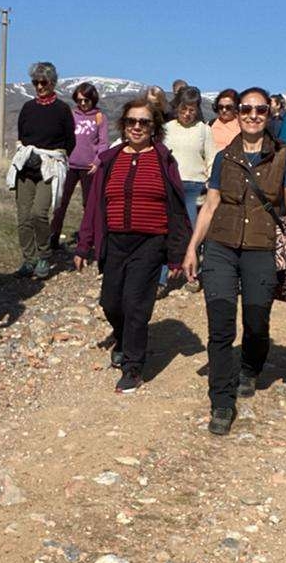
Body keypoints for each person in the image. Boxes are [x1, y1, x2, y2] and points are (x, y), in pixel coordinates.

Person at [183, 87, 286, 436]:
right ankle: (222, 401)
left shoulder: (282, 156)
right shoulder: (224, 157)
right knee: (220, 326)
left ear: (269, 114)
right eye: (246, 109)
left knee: (256, 319)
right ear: (238, 114)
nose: (253, 115)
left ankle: (251, 367)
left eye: (260, 110)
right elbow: (210, 205)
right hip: (221, 247)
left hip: (260, 247)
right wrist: (193, 248)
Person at [74, 99, 193, 393]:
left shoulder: (164, 160)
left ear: (154, 127)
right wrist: (84, 244)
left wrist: (178, 254)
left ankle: (133, 367)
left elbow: (177, 208)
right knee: (111, 302)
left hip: (150, 242)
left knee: (136, 304)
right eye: (131, 121)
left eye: (144, 122)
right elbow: (94, 206)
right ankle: (124, 337)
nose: (137, 127)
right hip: (115, 241)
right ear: (123, 125)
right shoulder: (110, 160)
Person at [10, 61, 75, 278]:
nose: (39, 86)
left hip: (50, 168)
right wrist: (28, 155)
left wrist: (53, 157)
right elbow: (22, 136)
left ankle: (44, 255)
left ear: (52, 83)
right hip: (26, 168)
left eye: (43, 82)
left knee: (39, 213)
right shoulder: (28, 108)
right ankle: (29, 259)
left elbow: (70, 141)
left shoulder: (62, 110)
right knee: (23, 217)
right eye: (35, 82)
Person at [160, 86, 214, 293]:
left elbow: (211, 158)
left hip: (194, 187)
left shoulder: (204, 130)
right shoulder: (167, 128)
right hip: (170, 186)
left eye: (192, 109)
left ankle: (192, 275)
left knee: (192, 233)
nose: (187, 113)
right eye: (184, 109)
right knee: (166, 232)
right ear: (177, 107)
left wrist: (209, 183)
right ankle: (161, 279)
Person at [50, 81, 106, 250]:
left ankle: (88, 241)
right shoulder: (71, 115)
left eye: (86, 100)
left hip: (89, 168)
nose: (82, 103)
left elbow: (103, 143)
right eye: (79, 100)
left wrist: (97, 162)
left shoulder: (99, 117)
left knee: (89, 206)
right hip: (69, 165)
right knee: (60, 203)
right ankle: (53, 238)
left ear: (93, 99)